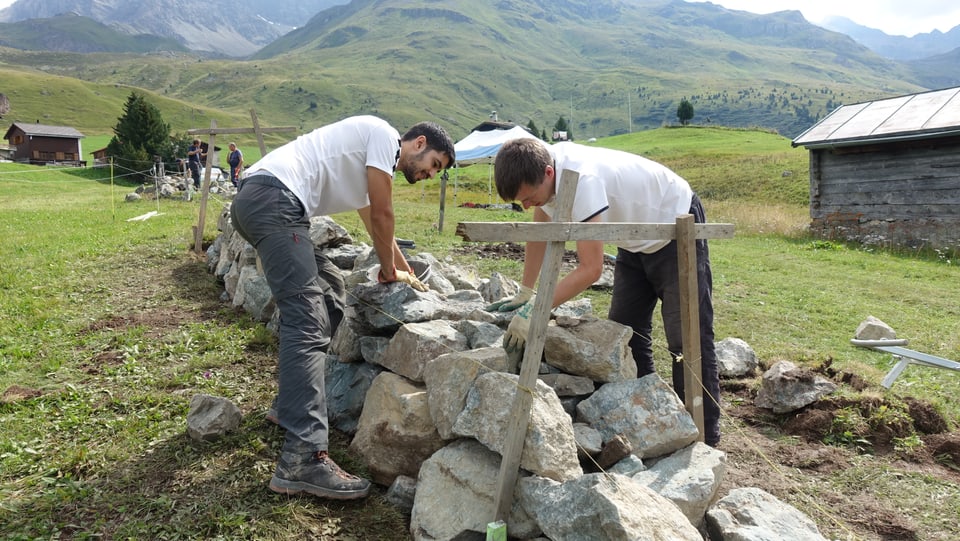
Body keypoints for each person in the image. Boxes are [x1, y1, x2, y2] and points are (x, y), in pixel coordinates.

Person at [230, 115, 455, 500]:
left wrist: (400, 269)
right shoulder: (383, 137)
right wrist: (388, 270)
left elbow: (376, 224)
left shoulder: (371, 159)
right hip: (275, 201)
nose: (431, 174)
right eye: (434, 164)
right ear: (418, 143)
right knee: (308, 321)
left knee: (330, 288)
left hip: (262, 200)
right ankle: (302, 458)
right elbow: (384, 215)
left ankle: (289, 406)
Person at [488, 137, 721, 447]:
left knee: (687, 337)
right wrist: (527, 290)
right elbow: (541, 227)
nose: (528, 205)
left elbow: (591, 269)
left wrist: (537, 309)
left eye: (529, 198)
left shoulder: (582, 180)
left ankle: (702, 439)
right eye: (522, 203)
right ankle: (653, 421)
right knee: (625, 330)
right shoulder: (542, 172)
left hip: (673, 222)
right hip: (632, 235)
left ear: (547, 173)